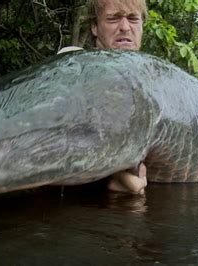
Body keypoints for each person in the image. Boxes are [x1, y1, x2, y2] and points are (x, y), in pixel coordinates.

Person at [59, 0, 149, 194]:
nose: (124, 27)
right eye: (113, 18)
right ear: (94, 27)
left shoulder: (153, 81)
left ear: (142, 26)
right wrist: (109, 173)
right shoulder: (72, 65)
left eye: (133, 19)